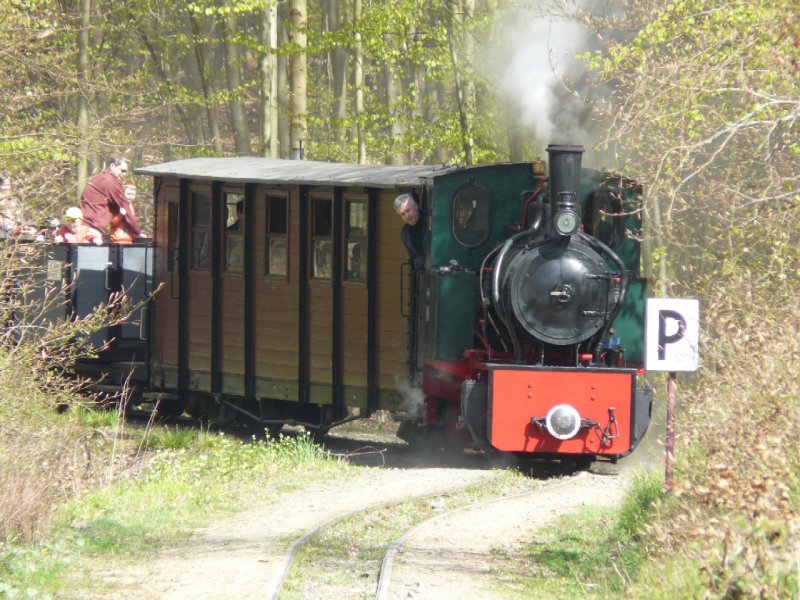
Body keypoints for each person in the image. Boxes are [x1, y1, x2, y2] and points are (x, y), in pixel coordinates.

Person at [80, 156, 141, 241]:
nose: (124, 174)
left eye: (126, 172)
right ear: (112, 166)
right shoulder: (110, 182)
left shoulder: (97, 178)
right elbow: (125, 207)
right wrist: (138, 231)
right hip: (91, 230)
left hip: (83, 227)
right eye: (122, 170)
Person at [394, 193, 425, 270]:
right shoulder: (405, 233)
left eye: (408, 210)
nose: (407, 216)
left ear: (416, 206)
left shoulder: (432, 220)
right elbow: (413, 258)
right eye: (402, 214)